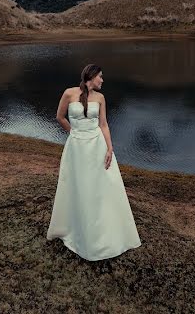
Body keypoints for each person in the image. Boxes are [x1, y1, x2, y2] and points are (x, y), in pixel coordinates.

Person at [47, 64, 141, 260]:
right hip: (77, 147)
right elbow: (59, 117)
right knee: (78, 186)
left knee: (99, 187)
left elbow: (104, 124)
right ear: (91, 77)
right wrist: (73, 132)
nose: (103, 80)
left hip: (97, 145)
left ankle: (102, 231)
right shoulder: (69, 93)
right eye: (100, 77)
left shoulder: (100, 98)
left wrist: (109, 148)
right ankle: (76, 228)